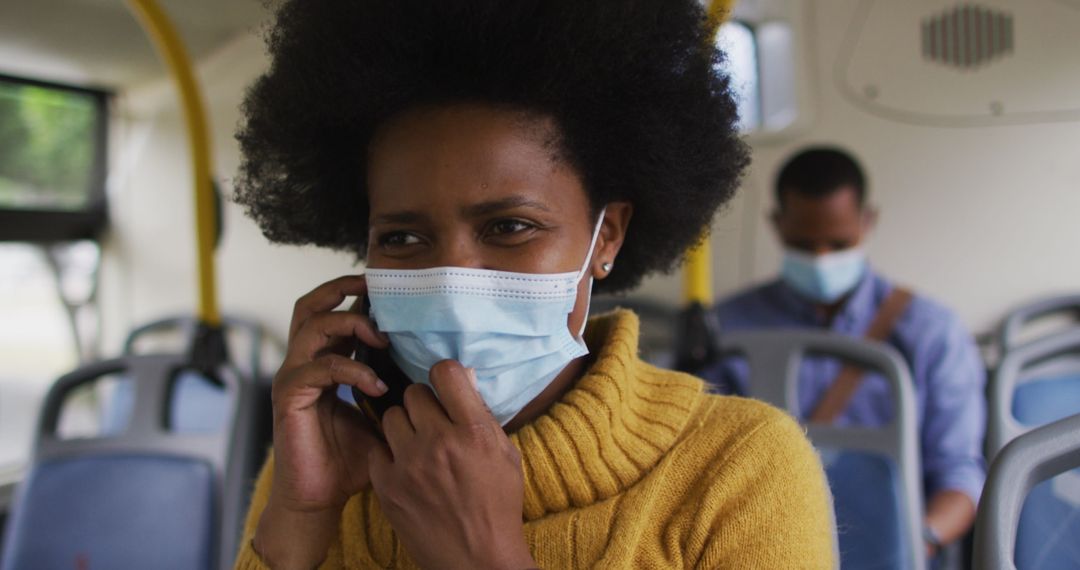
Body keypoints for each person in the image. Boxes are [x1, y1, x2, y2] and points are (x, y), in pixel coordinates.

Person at [231, 1, 836, 568]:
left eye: (510, 226)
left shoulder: (740, 468)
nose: (453, 284)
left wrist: (485, 553)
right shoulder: (326, 456)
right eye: (402, 239)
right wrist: (300, 515)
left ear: (607, 236)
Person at [703, 146, 986, 556]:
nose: (821, 259)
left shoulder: (930, 331)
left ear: (867, 221)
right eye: (804, 244)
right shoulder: (725, 329)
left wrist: (910, 546)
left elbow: (960, 478)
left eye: (838, 244)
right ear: (777, 224)